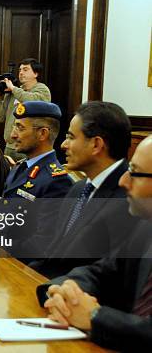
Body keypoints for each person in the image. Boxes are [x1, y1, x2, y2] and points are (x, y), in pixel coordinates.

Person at [36, 135, 152, 352]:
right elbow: (102, 272)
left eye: (134, 173)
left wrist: (95, 317)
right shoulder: (146, 227)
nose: (123, 181)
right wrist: (63, 290)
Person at [29, 101, 140, 278]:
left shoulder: (128, 199)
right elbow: (53, 254)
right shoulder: (78, 189)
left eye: (71, 137)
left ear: (96, 145)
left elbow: (107, 275)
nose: (64, 145)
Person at [0, 101, 73, 255]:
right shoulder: (20, 167)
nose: (13, 135)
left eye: (20, 128)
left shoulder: (57, 181)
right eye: (14, 126)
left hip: (21, 268)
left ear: (42, 134)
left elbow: (42, 243)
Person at [0, 58, 51, 161]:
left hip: (30, 147)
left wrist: (14, 89)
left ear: (35, 74)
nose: (21, 73)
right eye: (20, 70)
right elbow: (0, 117)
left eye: (25, 69)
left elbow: (32, 102)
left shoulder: (42, 90)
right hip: (10, 146)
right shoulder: (14, 92)